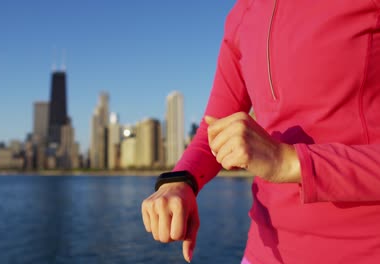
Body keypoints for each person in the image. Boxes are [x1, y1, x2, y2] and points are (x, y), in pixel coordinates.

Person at [141, 0, 380, 263]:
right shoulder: (242, 14)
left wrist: (288, 162)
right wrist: (181, 181)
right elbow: (214, 129)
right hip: (265, 251)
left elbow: (279, 159)